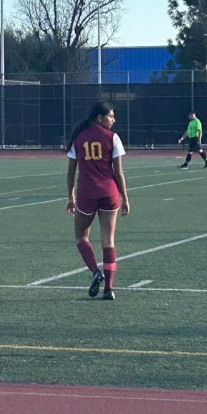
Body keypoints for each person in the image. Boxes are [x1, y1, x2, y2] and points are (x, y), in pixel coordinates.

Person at [66, 101, 130, 301]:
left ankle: (95, 271)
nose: (113, 120)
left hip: (86, 193)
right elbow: (118, 173)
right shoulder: (113, 137)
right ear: (99, 118)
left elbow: (70, 173)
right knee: (108, 240)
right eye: (111, 116)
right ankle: (109, 288)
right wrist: (125, 198)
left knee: (80, 236)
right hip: (109, 193)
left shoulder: (78, 137)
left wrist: (71, 197)